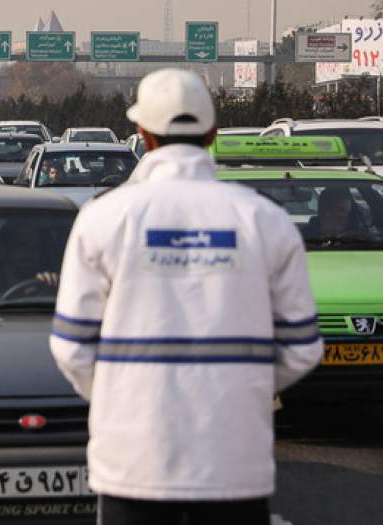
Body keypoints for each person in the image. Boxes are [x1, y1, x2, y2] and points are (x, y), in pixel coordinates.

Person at [49, 69, 323, 525]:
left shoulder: (103, 219)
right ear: (212, 134)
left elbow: (72, 346)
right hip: (235, 463)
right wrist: (238, 387)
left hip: (132, 463)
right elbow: (302, 347)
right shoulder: (265, 220)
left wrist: (124, 394)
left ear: (142, 135)